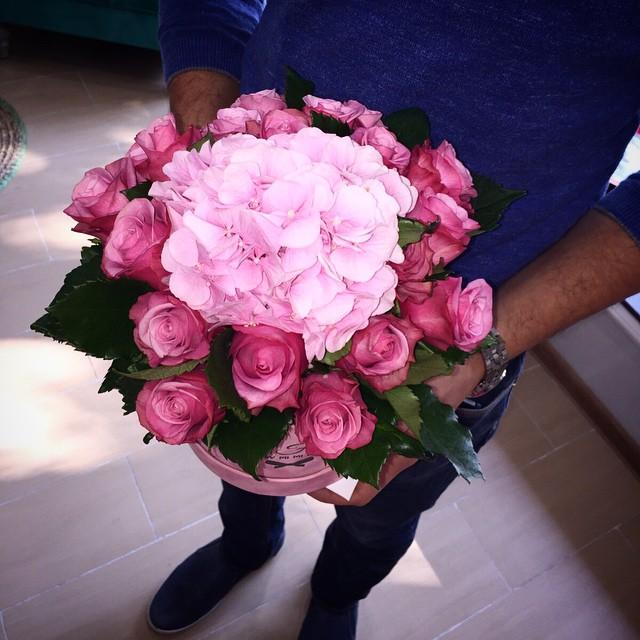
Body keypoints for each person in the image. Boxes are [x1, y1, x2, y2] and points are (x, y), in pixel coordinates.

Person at [147, 2, 640, 638]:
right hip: (243, 259)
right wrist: (212, 163)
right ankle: (245, 545)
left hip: (461, 341)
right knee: (247, 459)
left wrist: (483, 351)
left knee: (382, 515)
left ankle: (335, 595)